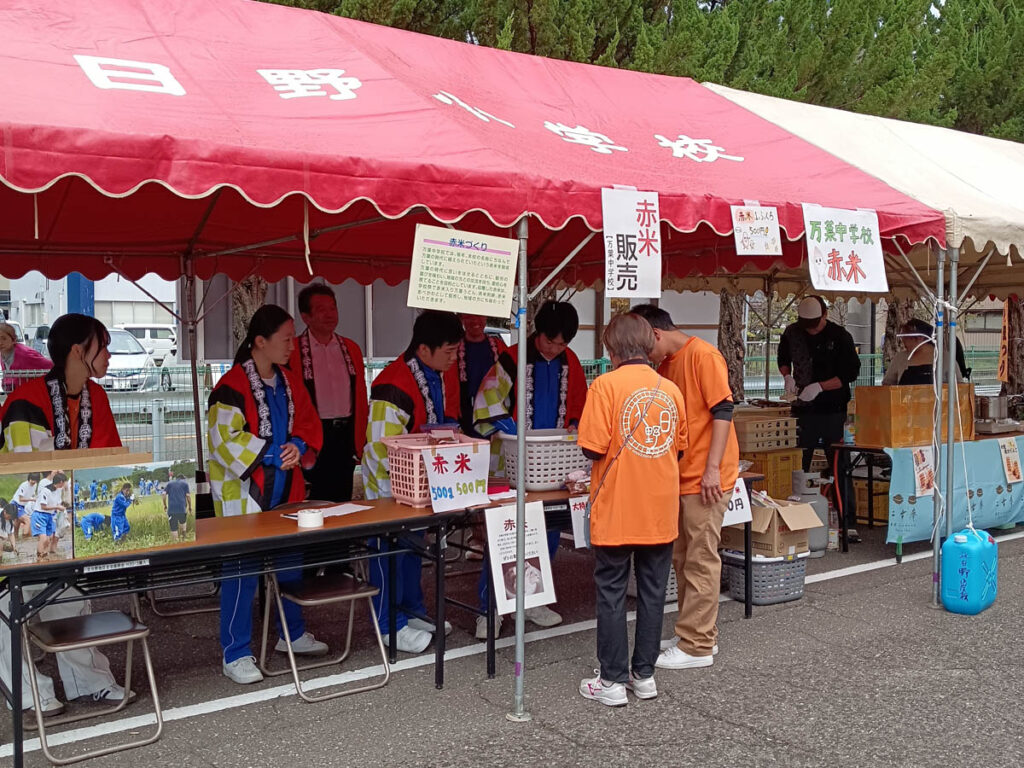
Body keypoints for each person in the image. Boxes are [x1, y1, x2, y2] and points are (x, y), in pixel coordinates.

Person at [0, 313, 130, 713]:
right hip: (17, 518)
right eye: (102, 346)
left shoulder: (97, 396)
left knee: (68, 598)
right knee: (10, 602)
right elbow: (29, 475)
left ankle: (87, 681)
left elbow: (108, 461)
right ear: (78, 351)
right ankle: (24, 688)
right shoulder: (26, 401)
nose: (108, 355)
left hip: (65, 516)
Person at [208, 305, 328, 685]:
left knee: (290, 563)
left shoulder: (291, 382)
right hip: (242, 494)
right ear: (260, 342)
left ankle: (290, 635)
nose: (294, 346)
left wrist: (298, 444)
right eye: (287, 339)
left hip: (286, 488)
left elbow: (309, 423)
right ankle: (236, 651)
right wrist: (276, 451)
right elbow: (223, 442)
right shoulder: (230, 386)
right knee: (241, 572)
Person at [577, 314, 688, 706]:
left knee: (611, 593)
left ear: (611, 350)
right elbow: (677, 448)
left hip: (617, 507)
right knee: (654, 593)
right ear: (647, 344)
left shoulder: (605, 386)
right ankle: (644, 676)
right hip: (660, 508)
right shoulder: (670, 390)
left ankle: (610, 681)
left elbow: (592, 447)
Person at [631, 304, 740, 670]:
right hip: (683, 477)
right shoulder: (669, 363)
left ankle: (698, 645)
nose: (646, 356)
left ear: (656, 334)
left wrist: (711, 470)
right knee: (684, 558)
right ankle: (694, 633)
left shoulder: (703, 356)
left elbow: (723, 411)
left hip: (705, 478)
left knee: (700, 559)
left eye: (646, 346)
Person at [472, 300, 589, 632]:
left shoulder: (571, 361)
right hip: (511, 463)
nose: (554, 349)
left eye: (562, 344)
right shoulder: (512, 358)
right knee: (504, 534)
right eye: (549, 341)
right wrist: (508, 429)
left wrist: (575, 424)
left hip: (553, 463)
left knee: (548, 533)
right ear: (537, 334)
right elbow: (487, 401)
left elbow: (580, 402)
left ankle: (532, 600)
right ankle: (489, 609)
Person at [362, 310, 463, 653]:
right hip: (390, 482)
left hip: (419, 482)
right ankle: (389, 623)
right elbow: (381, 446)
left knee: (412, 550)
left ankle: (411, 610)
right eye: (449, 351)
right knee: (388, 551)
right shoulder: (393, 383)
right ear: (424, 349)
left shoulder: (433, 374)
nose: (454, 358)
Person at [778, 296, 861, 540]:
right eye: (807, 325)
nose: (812, 329)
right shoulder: (792, 332)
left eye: (815, 323)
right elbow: (783, 359)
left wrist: (821, 387)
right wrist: (787, 377)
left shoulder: (840, 337)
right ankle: (797, 520)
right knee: (799, 462)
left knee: (838, 464)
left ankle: (848, 522)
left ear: (825, 315)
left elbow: (850, 373)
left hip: (833, 409)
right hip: (803, 409)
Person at [288, 283, 368, 502]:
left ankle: (342, 536)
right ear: (306, 316)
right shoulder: (293, 350)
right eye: (322, 309)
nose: (330, 314)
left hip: (345, 432)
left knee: (342, 494)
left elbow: (359, 394)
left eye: (333, 308)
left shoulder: (350, 348)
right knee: (314, 496)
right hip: (313, 433)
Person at [455, 314, 508, 564]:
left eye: (480, 317)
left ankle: (496, 535)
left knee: (495, 479)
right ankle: (475, 537)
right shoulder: (455, 347)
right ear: (462, 318)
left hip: (495, 422)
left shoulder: (498, 346)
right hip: (465, 422)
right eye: (469, 317)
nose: (475, 321)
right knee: (473, 482)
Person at [882, 318, 969, 386]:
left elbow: (959, 387)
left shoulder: (945, 358)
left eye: (906, 337)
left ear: (920, 338)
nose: (902, 341)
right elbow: (887, 385)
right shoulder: (900, 358)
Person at [0, 321, 51, 393]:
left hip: (32, 396)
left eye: (3, 338)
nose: (0, 342)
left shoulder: (25, 355)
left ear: (14, 339)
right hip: (18, 396)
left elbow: (50, 366)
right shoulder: (3, 354)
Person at [162, 469, 192, 541]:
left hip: (172, 509)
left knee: (173, 527)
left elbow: (163, 494)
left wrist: (165, 505)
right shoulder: (185, 484)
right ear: (183, 478)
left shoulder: (169, 484)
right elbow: (188, 496)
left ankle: (176, 542)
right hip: (182, 508)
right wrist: (190, 507)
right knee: (183, 522)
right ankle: (184, 539)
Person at [11, 472, 40, 540]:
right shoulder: (24, 485)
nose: (33, 481)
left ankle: (16, 539)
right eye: (31, 479)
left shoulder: (35, 485)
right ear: (29, 478)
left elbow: (32, 494)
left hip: (22, 506)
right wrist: (32, 499)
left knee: (17, 523)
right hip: (16, 504)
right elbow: (21, 499)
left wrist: (35, 498)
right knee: (27, 521)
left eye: (35, 480)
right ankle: (24, 539)